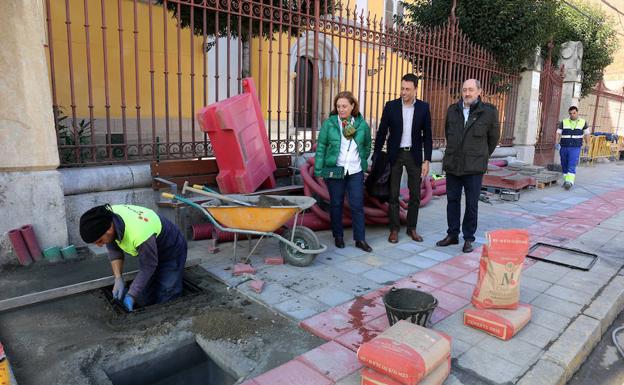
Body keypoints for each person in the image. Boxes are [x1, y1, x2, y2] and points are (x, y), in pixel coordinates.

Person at [79, 204, 187, 311]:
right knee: (144, 295)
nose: (99, 245)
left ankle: (169, 315)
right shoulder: (106, 218)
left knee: (167, 290)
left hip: (171, 248)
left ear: (109, 230)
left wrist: (131, 295)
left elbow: (148, 266)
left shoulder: (139, 234)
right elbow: (114, 250)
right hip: (150, 248)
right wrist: (118, 278)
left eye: (99, 241)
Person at [436, 79, 500, 253]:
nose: (467, 93)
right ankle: (452, 234)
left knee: (472, 204)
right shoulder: (452, 110)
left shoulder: (488, 112)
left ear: (479, 91)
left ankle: (468, 238)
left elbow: (493, 139)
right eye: (464, 90)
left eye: (471, 90)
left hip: (474, 167)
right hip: (453, 164)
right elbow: (448, 133)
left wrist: (481, 155)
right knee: (452, 201)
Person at [373, 73, 432, 244]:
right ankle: (394, 229)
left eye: (407, 89)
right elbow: (382, 130)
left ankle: (411, 228)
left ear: (415, 90)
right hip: (395, 154)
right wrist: (376, 154)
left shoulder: (423, 107)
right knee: (393, 193)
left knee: (415, 194)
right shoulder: (390, 106)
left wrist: (426, 160)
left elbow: (427, 135)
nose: (403, 92)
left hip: (413, 155)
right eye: (402, 88)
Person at [314, 91, 372, 252]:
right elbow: (321, 148)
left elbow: (367, 145)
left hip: (355, 170)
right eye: (338, 106)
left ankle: (360, 239)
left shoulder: (361, 125)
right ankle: (338, 236)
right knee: (336, 204)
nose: (341, 109)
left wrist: (361, 159)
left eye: (344, 106)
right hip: (336, 169)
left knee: (357, 205)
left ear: (352, 106)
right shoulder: (330, 124)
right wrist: (319, 170)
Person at [555, 106, 590, 190]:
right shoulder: (563, 122)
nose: (572, 115)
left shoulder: (583, 122)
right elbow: (558, 133)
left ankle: (569, 182)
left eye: (574, 113)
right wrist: (556, 142)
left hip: (575, 147)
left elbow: (587, 134)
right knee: (564, 164)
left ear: (577, 112)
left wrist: (587, 144)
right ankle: (566, 180)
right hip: (564, 146)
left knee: (572, 163)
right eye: (570, 113)